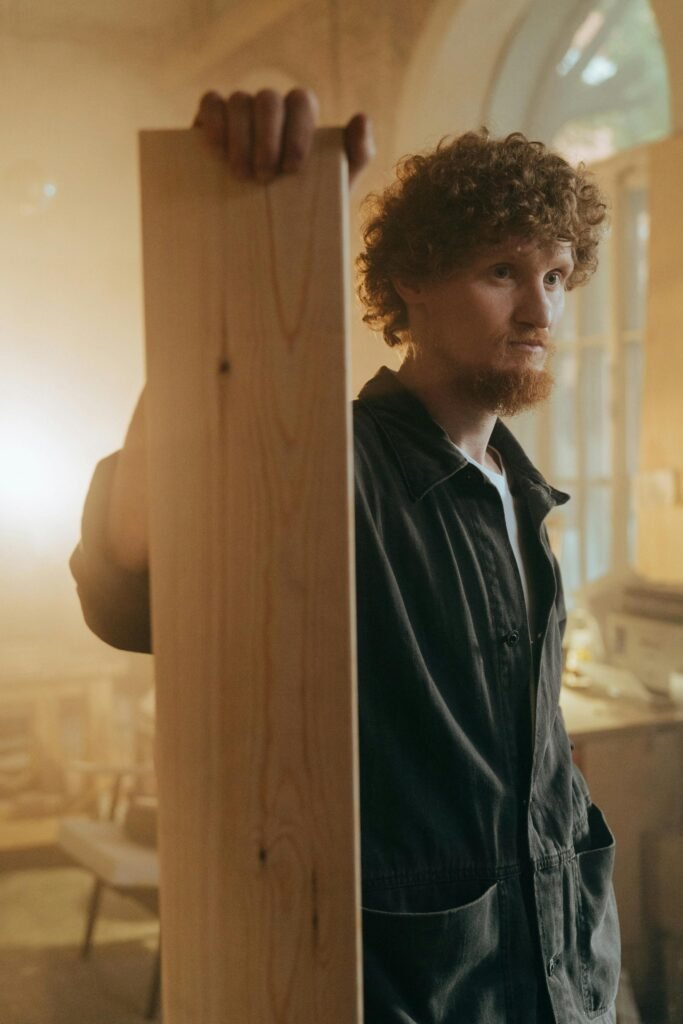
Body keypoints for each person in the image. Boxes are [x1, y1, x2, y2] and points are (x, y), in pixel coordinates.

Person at [70, 88, 620, 1023]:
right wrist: (232, 235)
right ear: (412, 282)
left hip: (562, 973)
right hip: (414, 987)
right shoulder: (334, 462)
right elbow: (130, 587)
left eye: (557, 276)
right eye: (502, 270)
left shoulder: (517, 487)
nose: (539, 309)